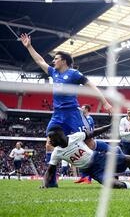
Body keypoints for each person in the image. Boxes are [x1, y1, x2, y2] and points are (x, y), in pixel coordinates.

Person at [20, 33, 113, 187]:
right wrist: (29, 46)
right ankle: (51, 182)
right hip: (57, 115)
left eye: (56, 58)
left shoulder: (74, 74)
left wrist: (105, 102)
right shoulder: (54, 73)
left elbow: (92, 87)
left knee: (88, 142)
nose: (53, 61)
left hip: (73, 114)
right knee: (49, 144)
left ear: (63, 61)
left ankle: (112, 152)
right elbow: (39, 60)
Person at [41, 124, 130, 189]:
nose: (49, 141)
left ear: (59, 136)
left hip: (101, 158)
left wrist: (110, 126)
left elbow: (93, 133)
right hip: (94, 171)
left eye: (51, 139)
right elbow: (50, 171)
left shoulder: (75, 137)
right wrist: (44, 185)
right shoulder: (57, 153)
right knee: (115, 185)